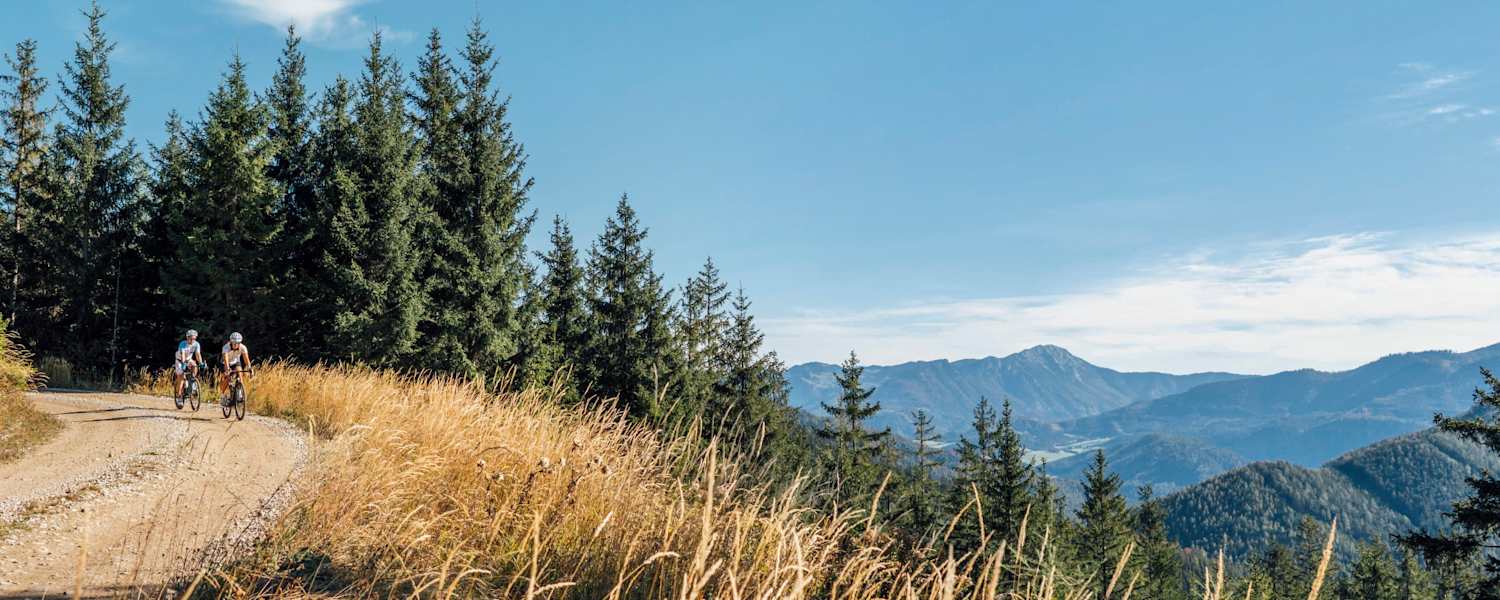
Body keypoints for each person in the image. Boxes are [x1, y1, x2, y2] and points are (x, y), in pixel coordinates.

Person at [219, 332, 252, 397]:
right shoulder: (226, 347)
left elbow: (246, 359)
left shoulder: (243, 347)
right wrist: (227, 369)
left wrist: (249, 368)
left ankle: (239, 391)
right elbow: (226, 359)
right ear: (230, 342)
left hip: (235, 362)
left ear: (240, 343)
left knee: (240, 373)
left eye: (237, 343)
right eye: (233, 343)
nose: (235, 345)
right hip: (225, 363)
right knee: (228, 378)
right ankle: (222, 394)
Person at [173, 330, 204, 399]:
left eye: (194, 339)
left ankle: (192, 382)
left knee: (195, 365)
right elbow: (183, 354)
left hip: (188, 359)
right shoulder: (183, 344)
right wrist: (183, 363)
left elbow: (198, 354)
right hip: (180, 360)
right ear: (187, 337)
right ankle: (179, 395)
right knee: (181, 377)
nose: (192, 340)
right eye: (191, 339)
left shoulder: (196, 344)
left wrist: (201, 363)